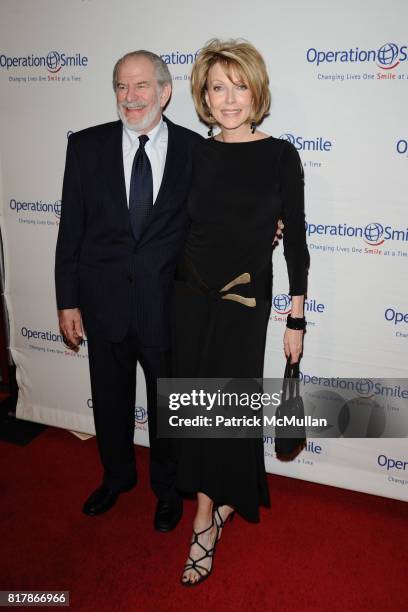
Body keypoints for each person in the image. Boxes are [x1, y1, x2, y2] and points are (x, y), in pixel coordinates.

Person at [171, 39, 310, 585]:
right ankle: (216, 501)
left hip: (244, 303)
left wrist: (296, 316)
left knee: (225, 412)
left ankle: (205, 518)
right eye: (217, 88)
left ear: (257, 90)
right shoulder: (192, 152)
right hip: (188, 297)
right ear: (204, 96)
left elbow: (295, 239)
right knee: (196, 410)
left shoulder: (280, 155)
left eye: (239, 86)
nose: (229, 100)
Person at [55, 50, 201, 531]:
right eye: (122, 86)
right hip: (104, 305)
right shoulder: (86, 147)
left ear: (165, 91)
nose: (131, 97)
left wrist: (266, 224)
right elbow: (70, 232)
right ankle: (116, 478)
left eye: (141, 86)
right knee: (111, 401)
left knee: (167, 410)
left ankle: (167, 489)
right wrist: (67, 301)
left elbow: (216, 223)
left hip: (167, 308)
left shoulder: (194, 150)